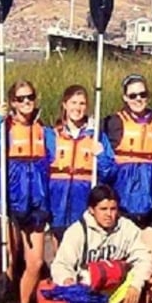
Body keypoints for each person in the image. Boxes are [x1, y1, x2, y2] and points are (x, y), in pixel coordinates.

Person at [0, 79, 54, 303]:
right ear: (13, 102)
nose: (26, 102)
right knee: (10, 258)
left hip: (36, 203)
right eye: (21, 98)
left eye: (30, 97)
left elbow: (53, 161)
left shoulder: (44, 130)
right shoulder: (4, 127)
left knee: (35, 263)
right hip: (11, 200)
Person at [103, 74, 152, 278]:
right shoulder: (112, 123)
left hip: (148, 204)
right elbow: (102, 164)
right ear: (125, 97)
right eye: (133, 95)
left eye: (142, 94)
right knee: (123, 264)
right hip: (122, 206)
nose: (138, 99)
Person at [51, 184, 152, 303]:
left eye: (113, 209)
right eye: (103, 209)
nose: (109, 214)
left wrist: (136, 285)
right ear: (92, 210)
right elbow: (61, 264)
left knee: (142, 277)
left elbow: (145, 259)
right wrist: (67, 281)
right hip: (86, 293)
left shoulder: (127, 228)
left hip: (118, 291)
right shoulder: (77, 231)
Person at [49, 84, 114, 255]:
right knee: (60, 255)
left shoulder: (96, 136)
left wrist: (100, 155)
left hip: (83, 202)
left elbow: (109, 172)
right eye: (73, 102)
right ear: (65, 104)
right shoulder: (53, 135)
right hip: (58, 204)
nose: (77, 108)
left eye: (82, 104)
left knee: (82, 253)